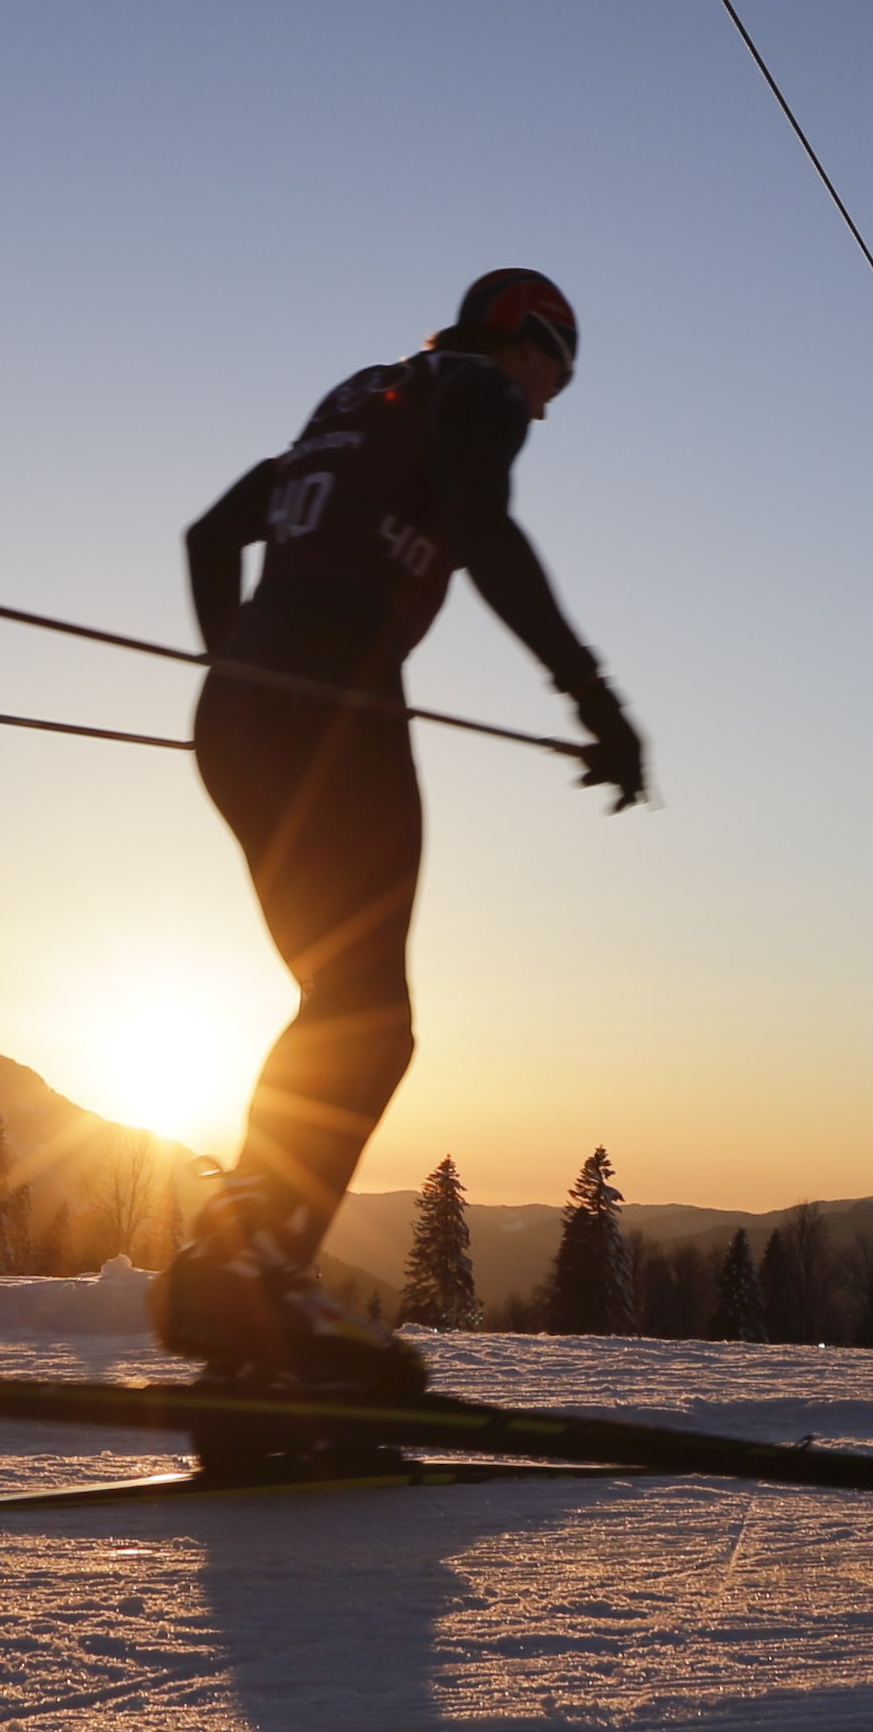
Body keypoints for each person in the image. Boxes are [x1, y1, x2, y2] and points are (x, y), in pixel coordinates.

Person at [152, 267, 646, 1395]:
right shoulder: (474, 390)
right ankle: (260, 1268)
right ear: (524, 340)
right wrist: (594, 696)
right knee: (371, 1014)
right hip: (341, 696)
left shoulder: (363, 400)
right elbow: (481, 526)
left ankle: (241, 1256)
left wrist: (237, 659)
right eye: (553, 373)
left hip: (237, 715)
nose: (545, 406)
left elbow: (209, 531)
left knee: (342, 999)